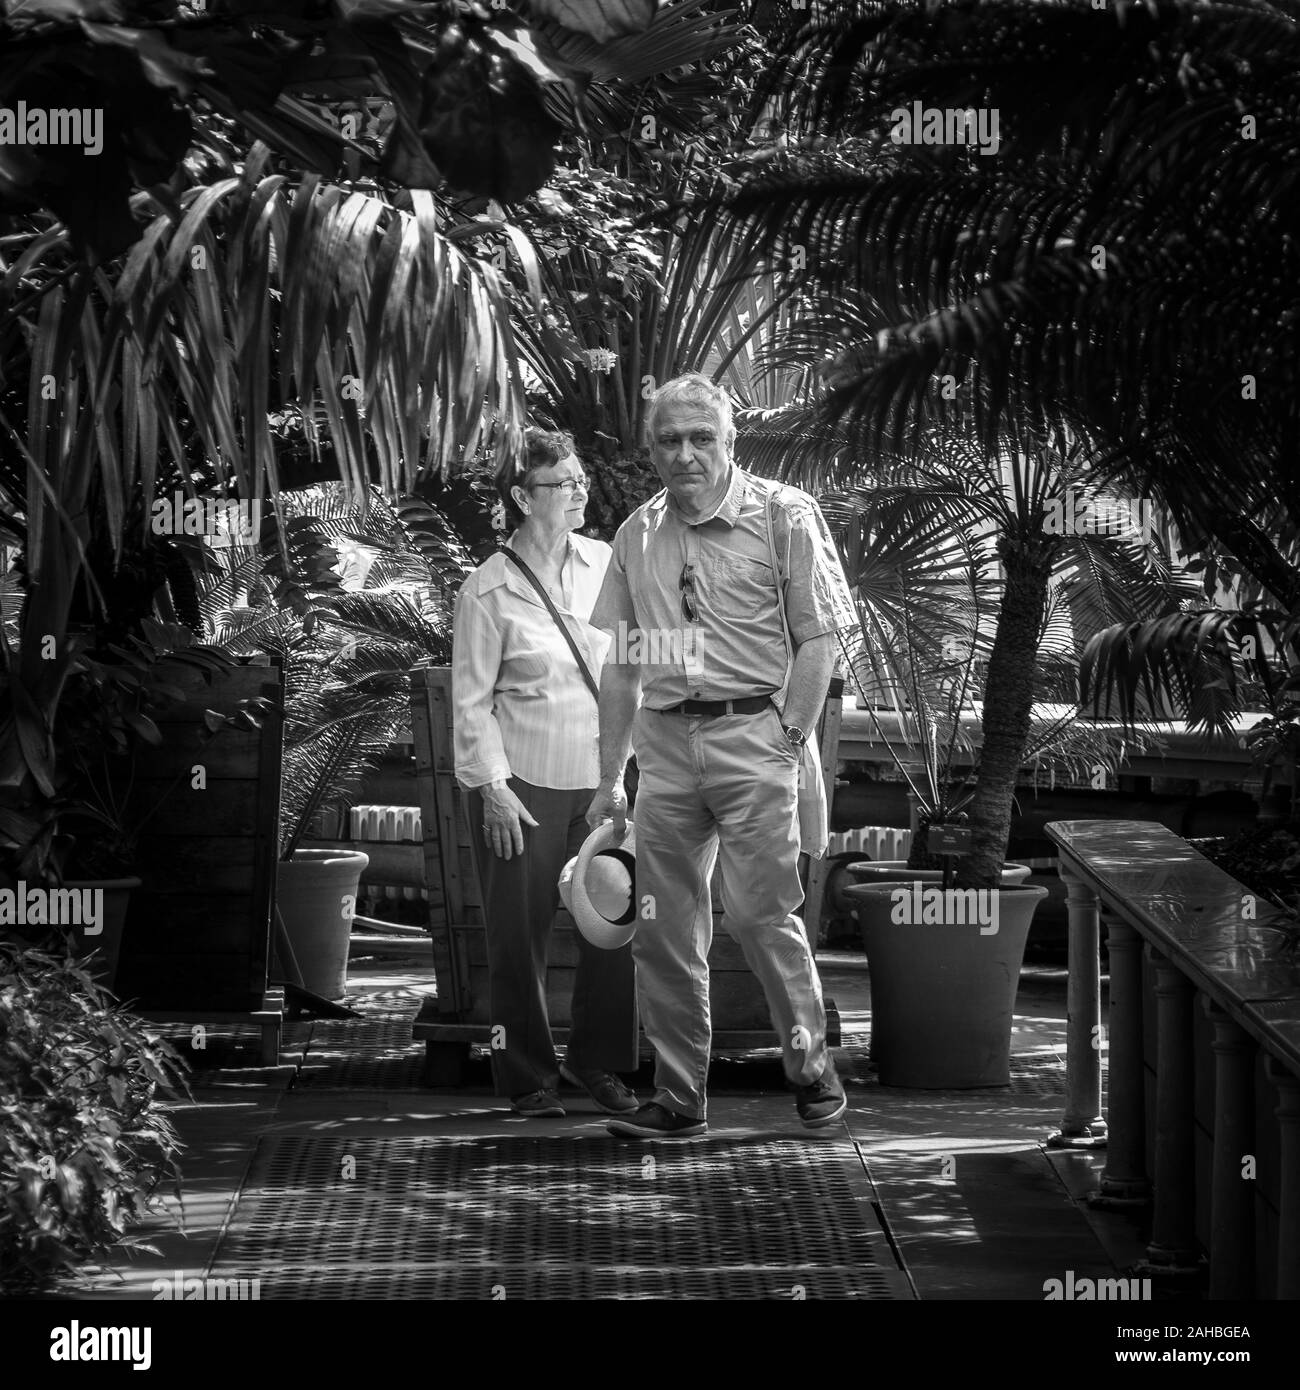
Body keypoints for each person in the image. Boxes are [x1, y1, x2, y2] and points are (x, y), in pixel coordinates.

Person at [586, 373, 858, 1138]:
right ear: (650, 449)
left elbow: (819, 639)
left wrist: (789, 738)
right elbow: (624, 668)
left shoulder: (783, 517)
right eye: (669, 440)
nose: (686, 454)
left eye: (702, 437)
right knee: (663, 927)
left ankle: (810, 1067)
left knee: (759, 914)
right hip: (666, 749)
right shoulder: (636, 536)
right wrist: (610, 778)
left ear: (729, 441)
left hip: (755, 738)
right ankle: (679, 1099)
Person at [453, 427, 639, 1118]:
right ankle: (527, 1077)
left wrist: (624, 770)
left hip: (603, 781)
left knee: (612, 924)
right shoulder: (487, 589)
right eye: (563, 484)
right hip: (522, 789)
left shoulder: (605, 563)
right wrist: (493, 789)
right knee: (516, 936)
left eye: (580, 481)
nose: (578, 492)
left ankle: (600, 1065)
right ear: (521, 497)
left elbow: (632, 669)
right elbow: (471, 703)